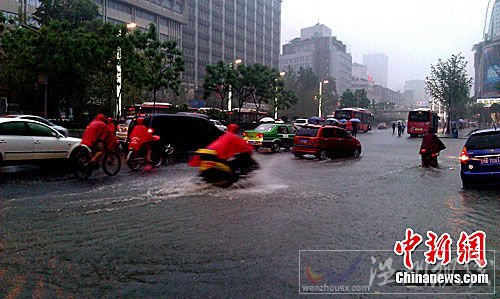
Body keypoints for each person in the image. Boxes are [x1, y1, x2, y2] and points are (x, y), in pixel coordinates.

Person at [189, 124, 257, 172]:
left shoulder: (222, 136)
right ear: (237, 130)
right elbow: (247, 148)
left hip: (210, 156)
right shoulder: (234, 137)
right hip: (218, 159)